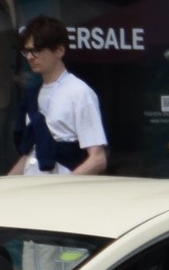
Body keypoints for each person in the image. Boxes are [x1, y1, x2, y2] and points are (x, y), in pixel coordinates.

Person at [11, 16, 108, 176]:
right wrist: (5, 183)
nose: (30, 57)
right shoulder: (33, 94)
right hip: (32, 186)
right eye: (27, 51)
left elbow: (97, 159)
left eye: (37, 50)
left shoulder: (79, 92)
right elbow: (32, 153)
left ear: (59, 50)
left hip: (61, 191)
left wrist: (64, 186)